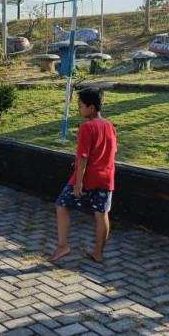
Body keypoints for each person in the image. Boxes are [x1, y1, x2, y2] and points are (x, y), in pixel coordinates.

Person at [48, 87, 117, 264]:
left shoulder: (87, 127)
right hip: (106, 179)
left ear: (91, 108)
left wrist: (79, 183)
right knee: (101, 214)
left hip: (87, 179)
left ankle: (63, 246)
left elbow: (83, 157)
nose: (79, 110)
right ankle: (98, 254)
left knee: (61, 204)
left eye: (80, 106)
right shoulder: (110, 126)